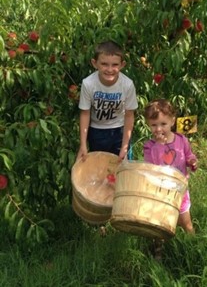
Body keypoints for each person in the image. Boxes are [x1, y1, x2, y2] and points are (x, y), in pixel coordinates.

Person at [143, 99, 198, 235]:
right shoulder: (149, 146)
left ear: (172, 121)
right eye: (154, 125)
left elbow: (189, 155)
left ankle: (194, 246)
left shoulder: (181, 140)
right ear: (148, 125)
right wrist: (159, 146)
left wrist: (192, 162)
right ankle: (158, 249)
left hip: (180, 190)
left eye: (163, 124)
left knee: (186, 222)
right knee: (159, 224)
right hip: (160, 191)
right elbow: (152, 167)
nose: (159, 129)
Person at [76, 40, 138, 161]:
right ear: (95, 63)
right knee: (99, 168)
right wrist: (83, 144)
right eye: (104, 64)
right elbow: (85, 113)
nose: (109, 69)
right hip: (97, 131)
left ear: (122, 65)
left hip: (120, 130)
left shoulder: (127, 85)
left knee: (122, 168)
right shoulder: (88, 84)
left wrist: (125, 146)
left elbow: (129, 115)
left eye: (115, 65)